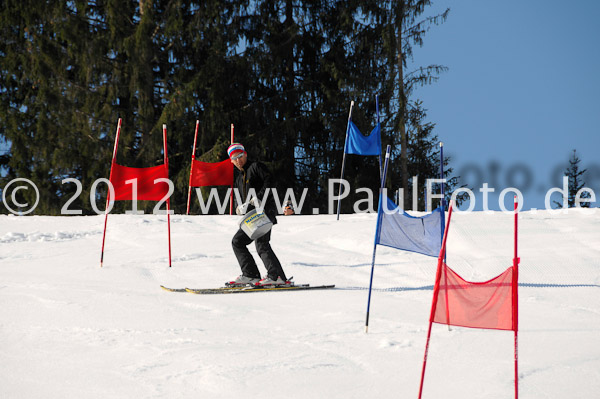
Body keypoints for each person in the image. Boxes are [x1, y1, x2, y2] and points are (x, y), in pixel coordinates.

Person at [227, 143, 289, 287]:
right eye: (234, 158)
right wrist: (239, 207)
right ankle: (251, 275)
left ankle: (276, 277)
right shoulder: (238, 179)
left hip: (264, 212)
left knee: (261, 244)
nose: (238, 160)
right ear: (231, 161)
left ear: (245, 154)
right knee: (238, 242)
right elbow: (243, 199)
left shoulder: (256, 167)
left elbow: (270, 181)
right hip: (252, 217)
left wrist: (260, 198)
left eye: (240, 156)